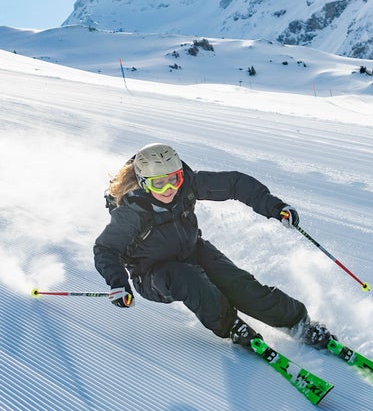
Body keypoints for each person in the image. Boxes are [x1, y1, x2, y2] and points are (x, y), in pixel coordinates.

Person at [93, 142, 334, 349]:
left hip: (193, 250)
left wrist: (274, 207)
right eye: (159, 184)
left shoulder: (188, 185)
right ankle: (231, 326)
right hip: (152, 274)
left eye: (173, 180)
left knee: (238, 283)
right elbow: (105, 249)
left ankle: (298, 323)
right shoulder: (131, 213)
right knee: (191, 281)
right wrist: (118, 284)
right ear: (144, 183)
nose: (169, 190)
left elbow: (234, 184)